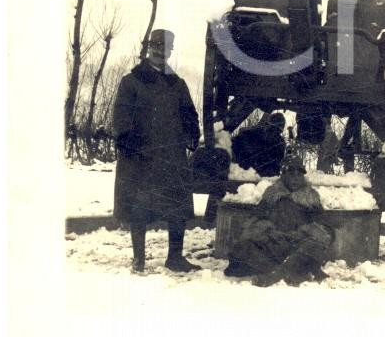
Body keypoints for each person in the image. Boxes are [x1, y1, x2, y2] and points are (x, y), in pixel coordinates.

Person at [112, 29, 202, 274]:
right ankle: (138, 259)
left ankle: (175, 258)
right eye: (155, 49)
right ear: (148, 50)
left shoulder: (177, 83)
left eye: (165, 50)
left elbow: (190, 115)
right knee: (139, 208)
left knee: (177, 208)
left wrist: (192, 134)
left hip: (172, 157)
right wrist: (128, 143)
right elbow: (120, 118)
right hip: (141, 158)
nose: (160, 54)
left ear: (170, 53)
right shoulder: (131, 81)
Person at [224, 160, 335, 286]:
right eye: (291, 174)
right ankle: (294, 271)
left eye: (299, 175)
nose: (295, 178)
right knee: (242, 248)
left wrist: (305, 232)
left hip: (298, 244)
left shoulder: (310, 197)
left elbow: (322, 224)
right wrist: (267, 231)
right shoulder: (272, 195)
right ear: (284, 176)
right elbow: (257, 218)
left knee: (314, 245)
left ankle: (277, 275)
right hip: (274, 242)